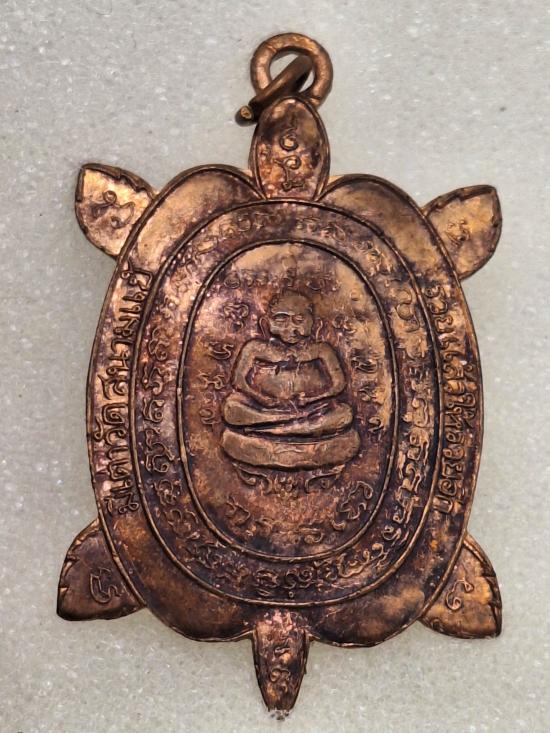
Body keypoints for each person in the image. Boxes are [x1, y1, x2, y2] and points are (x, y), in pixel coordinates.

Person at [220, 291, 360, 469]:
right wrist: (262, 399)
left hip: (310, 410)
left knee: (344, 413)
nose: (291, 328)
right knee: (231, 408)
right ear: (265, 323)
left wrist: (312, 399)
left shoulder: (320, 350)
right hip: (264, 409)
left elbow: (339, 384)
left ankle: (277, 429)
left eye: (299, 320)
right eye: (281, 320)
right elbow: (238, 380)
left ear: (315, 324)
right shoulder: (255, 348)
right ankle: (286, 426)